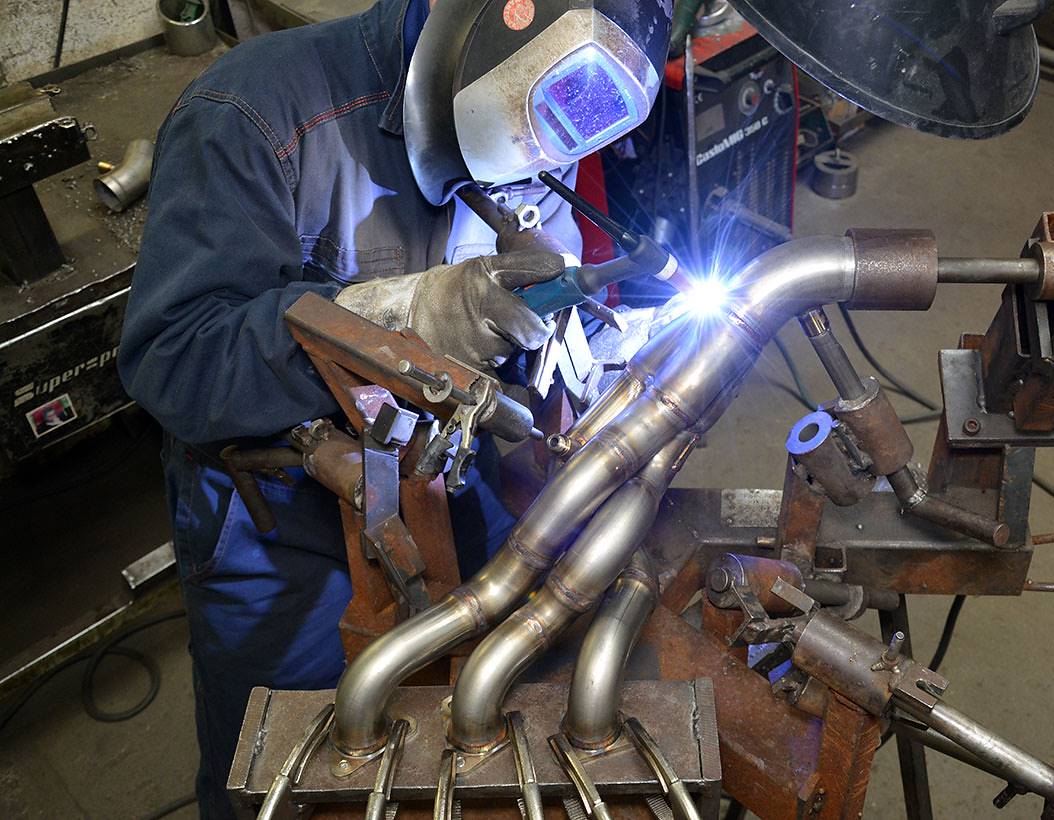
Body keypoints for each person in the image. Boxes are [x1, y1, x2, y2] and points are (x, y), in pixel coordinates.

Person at [117, 0, 671, 816]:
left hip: (452, 482)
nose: (533, 162)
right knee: (277, 778)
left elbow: (542, 276)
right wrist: (405, 317)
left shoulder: (554, 102)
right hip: (279, 526)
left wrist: (572, 339)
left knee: (470, 735)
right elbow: (175, 358)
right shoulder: (252, 112)